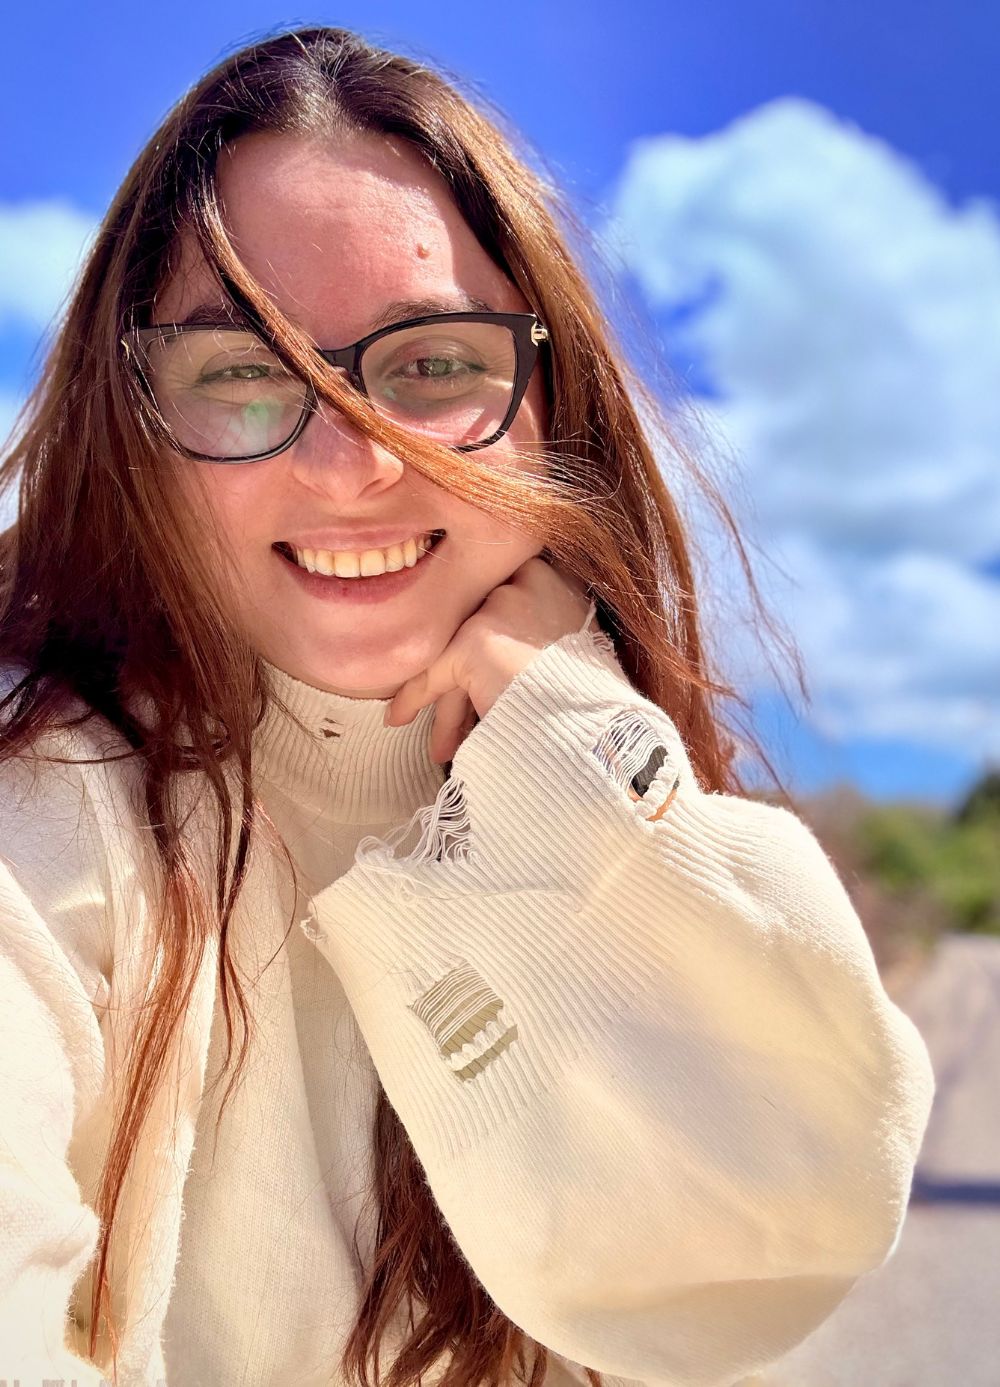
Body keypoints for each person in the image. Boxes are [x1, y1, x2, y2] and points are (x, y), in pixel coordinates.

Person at [0, 25, 935, 1387]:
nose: (347, 462)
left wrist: (567, 736)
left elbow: (791, 1223)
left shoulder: (585, 760)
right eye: (242, 371)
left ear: (553, 401)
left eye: (433, 364)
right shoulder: (40, 798)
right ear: (134, 426)